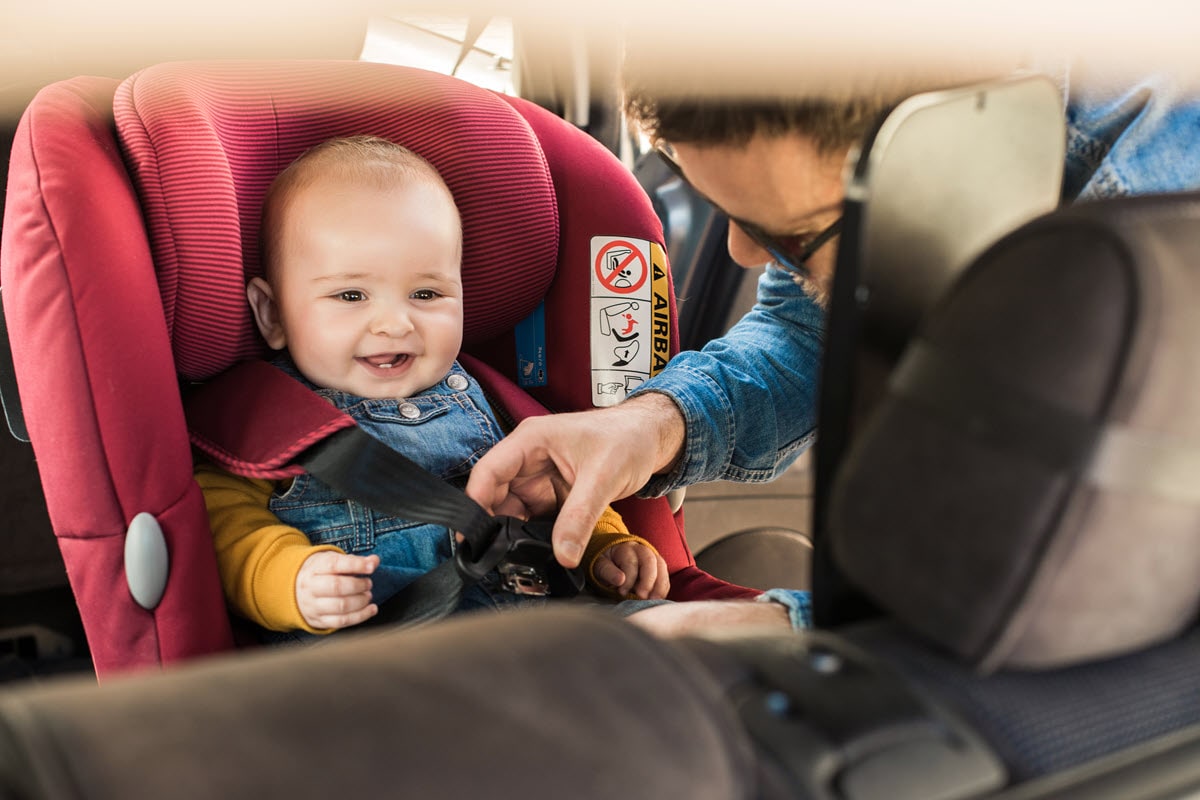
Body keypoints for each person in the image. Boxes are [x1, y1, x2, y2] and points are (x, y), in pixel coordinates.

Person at [465, 65, 1200, 635]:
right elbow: (805, 329)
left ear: (953, 146)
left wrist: (780, 630)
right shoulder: (879, 164)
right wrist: (652, 424)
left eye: (788, 235)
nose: (741, 252)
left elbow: (1085, 581)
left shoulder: (1161, 222)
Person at [194, 135, 669, 638]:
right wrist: (289, 578)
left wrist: (604, 547)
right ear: (272, 313)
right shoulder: (265, 421)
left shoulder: (488, 400)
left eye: (425, 293)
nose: (394, 324)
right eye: (351, 295)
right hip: (389, 651)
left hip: (539, 628)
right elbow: (223, 525)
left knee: (672, 631)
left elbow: (559, 489)